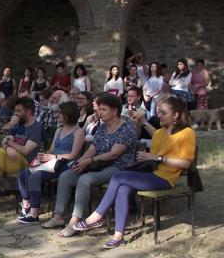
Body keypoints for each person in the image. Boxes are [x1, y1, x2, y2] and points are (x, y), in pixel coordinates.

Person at [73, 96, 195, 249]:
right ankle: (118, 236)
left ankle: (96, 216)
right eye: (158, 112)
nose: (159, 116)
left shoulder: (187, 133)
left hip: (166, 178)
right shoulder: (159, 133)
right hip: (152, 174)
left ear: (176, 115)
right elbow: (151, 159)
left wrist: (157, 157)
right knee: (123, 188)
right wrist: (143, 157)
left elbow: (185, 163)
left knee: (118, 177)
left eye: (163, 113)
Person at [42, 93, 137, 237]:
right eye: (99, 109)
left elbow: (114, 154)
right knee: (67, 175)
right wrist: (82, 161)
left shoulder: (127, 128)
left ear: (115, 111)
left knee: (85, 180)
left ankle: (75, 221)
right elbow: (93, 148)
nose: (99, 112)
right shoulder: (103, 128)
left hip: (118, 167)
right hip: (97, 164)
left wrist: (90, 161)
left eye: (104, 109)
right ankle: (58, 216)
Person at [17, 102, 85, 223]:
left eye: (60, 113)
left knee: (34, 178)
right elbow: (52, 149)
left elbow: (74, 155)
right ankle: (26, 204)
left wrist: (53, 156)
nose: (57, 115)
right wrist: (43, 156)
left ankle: (34, 213)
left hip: (65, 165)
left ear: (68, 114)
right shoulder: (59, 129)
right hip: (52, 162)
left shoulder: (78, 132)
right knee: (24, 173)